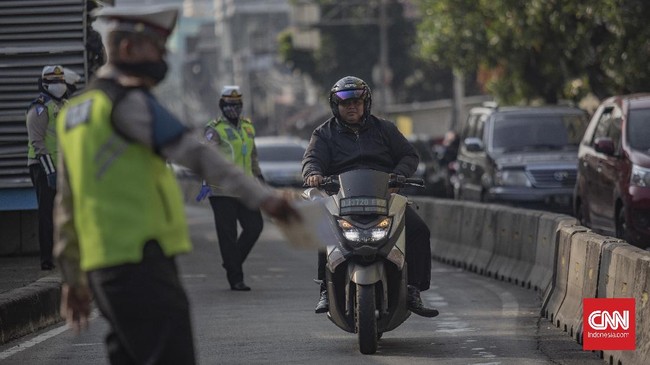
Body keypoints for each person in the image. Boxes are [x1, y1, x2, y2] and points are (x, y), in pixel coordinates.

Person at [53, 5, 299, 365]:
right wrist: (267, 199)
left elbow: (65, 206)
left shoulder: (75, 114)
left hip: (103, 272)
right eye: (157, 46)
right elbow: (198, 154)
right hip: (143, 265)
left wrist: (72, 279)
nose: (164, 56)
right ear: (128, 50)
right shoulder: (129, 102)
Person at [302, 76, 439, 318]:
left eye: (357, 101)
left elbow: (409, 156)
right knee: (325, 226)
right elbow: (311, 160)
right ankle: (326, 286)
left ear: (366, 103)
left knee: (419, 230)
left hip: (385, 198)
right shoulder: (323, 134)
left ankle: (414, 288)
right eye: (345, 103)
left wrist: (399, 175)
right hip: (342, 200)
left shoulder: (385, 129)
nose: (352, 107)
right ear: (336, 106)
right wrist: (313, 174)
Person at [195, 86, 264, 291]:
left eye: (237, 104)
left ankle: (232, 262)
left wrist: (260, 178)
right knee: (228, 235)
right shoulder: (214, 129)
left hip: (245, 188)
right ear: (222, 106)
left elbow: (252, 157)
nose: (233, 108)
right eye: (229, 105)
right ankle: (236, 279)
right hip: (221, 190)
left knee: (255, 226)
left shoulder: (247, 127)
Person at [26, 65, 68, 270]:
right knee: (47, 213)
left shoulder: (65, 106)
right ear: (44, 84)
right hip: (43, 166)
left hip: (61, 167)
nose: (58, 86)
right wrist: (50, 171)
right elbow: (37, 142)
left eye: (61, 81)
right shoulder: (39, 108)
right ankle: (47, 260)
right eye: (53, 82)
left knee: (64, 214)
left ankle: (63, 255)